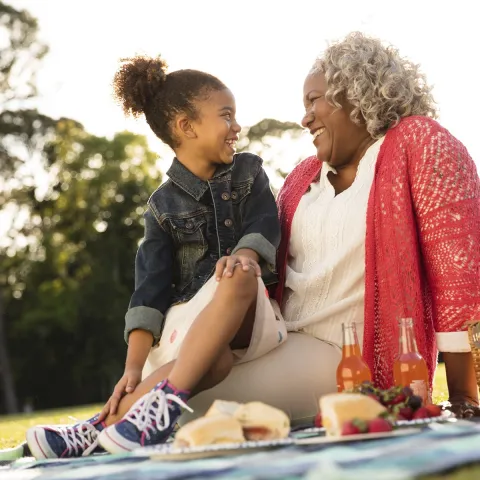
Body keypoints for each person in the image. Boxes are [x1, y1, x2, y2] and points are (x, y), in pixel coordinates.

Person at [183, 31, 480, 423]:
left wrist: (462, 395)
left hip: (351, 361)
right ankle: (104, 425)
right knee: (180, 362)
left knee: (190, 400)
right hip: (277, 340)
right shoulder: (301, 177)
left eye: (313, 100)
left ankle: (109, 424)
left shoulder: (417, 142)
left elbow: (459, 274)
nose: (305, 117)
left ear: (357, 93)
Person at [25, 55, 285, 459]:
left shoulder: (249, 172)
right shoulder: (161, 207)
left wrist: (245, 254)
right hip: (192, 326)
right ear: (187, 126)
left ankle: (131, 416)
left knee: (238, 273)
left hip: (250, 313)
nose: (237, 127)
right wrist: (132, 368)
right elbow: (148, 292)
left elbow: (264, 219)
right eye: (226, 115)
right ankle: (99, 431)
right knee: (212, 363)